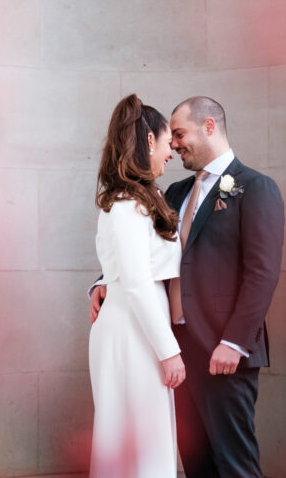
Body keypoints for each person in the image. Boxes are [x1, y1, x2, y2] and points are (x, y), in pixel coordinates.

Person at [91, 96, 285, 478]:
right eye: (171, 137)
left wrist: (235, 342)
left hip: (220, 350)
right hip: (173, 351)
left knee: (235, 463)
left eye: (180, 134)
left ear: (209, 126)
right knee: (194, 464)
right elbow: (139, 254)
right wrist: (103, 282)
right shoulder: (170, 193)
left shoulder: (256, 188)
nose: (175, 145)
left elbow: (262, 273)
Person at [88, 93, 187, 477]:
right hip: (131, 331)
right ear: (148, 141)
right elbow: (135, 283)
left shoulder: (143, 198)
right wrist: (168, 352)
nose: (171, 152)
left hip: (138, 324)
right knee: (138, 444)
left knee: (149, 442)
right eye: (166, 142)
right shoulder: (128, 203)